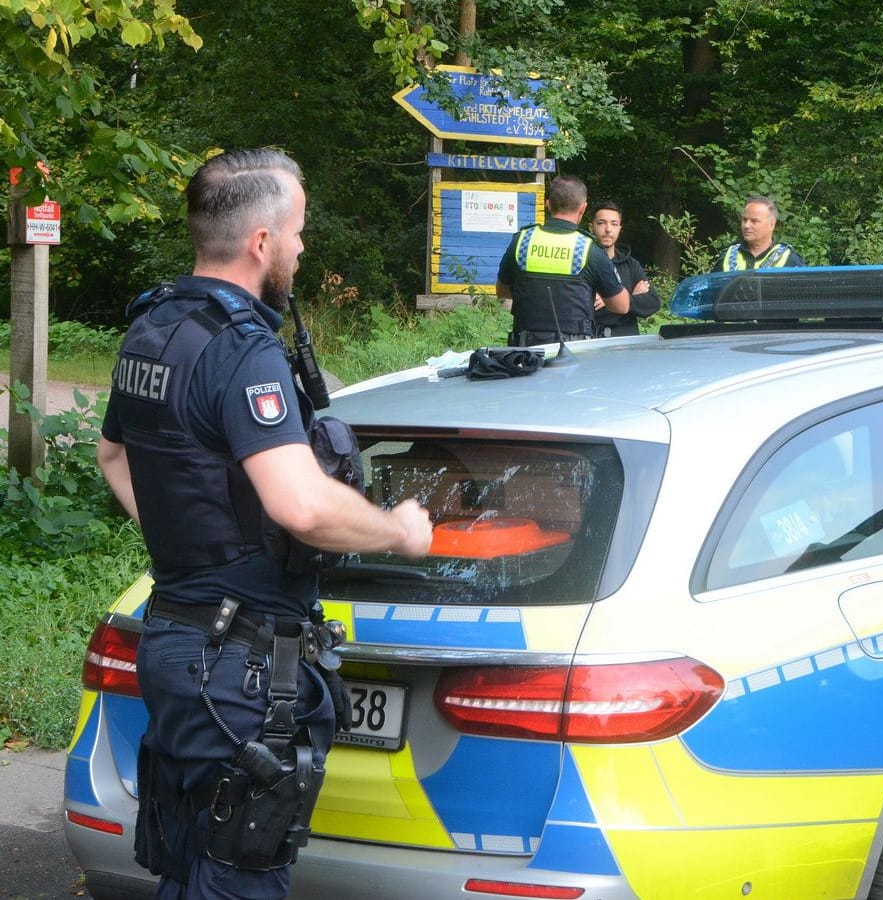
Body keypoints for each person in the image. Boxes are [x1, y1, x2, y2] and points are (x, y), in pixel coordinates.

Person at [97, 148, 435, 899]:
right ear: (261, 243)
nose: (301, 247)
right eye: (298, 232)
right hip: (239, 672)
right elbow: (303, 506)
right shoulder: (243, 348)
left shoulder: (155, 327)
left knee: (190, 867)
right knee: (236, 879)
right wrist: (398, 530)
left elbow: (114, 454)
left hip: (178, 642)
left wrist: (193, 547)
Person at [495, 174, 629, 343]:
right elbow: (621, 306)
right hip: (574, 352)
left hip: (526, 352)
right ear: (583, 208)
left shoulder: (522, 241)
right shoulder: (589, 249)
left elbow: (502, 291)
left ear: (548, 204)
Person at [589, 200, 662, 336]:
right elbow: (579, 309)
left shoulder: (631, 264)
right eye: (601, 223)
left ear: (620, 229)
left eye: (614, 224)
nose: (608, 229)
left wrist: (608, 300)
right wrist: (630, 299)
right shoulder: (584, 262)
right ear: (591, 227)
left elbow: (652, 303)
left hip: (627, 343)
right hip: (593, 341)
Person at [716, 196, 807, 271]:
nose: (747, 225)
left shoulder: (790, 259)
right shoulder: (727, 257)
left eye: (754, 221)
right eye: (744, 219)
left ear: (771, 225)